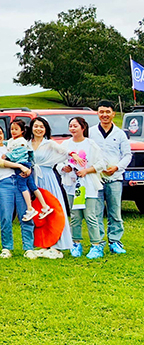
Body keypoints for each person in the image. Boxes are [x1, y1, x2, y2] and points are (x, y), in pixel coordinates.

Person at [0, 125, 36, 259]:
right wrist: (20, 166)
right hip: (4, 184)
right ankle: (7, 247)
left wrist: (28, 168)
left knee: (26, 214)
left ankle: (29, 247)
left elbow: (26, 156)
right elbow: (0, 162)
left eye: (0, 133)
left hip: (20, 182)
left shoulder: (11, 145)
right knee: (6, 217)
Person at [59, 117, 107, 259]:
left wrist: (86, 171)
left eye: (75, 126)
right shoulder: (65, 144)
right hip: (71, 185)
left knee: (90, 215)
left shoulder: (91, 144)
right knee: (75, 216)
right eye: (71, 126)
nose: (72, 128)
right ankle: (76, 243)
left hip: (88, 185)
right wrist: (64, 168)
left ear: (83, 127)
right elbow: (58, 163)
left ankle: (96, 245)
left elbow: (101, 163)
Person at [90, 100, 130, 254]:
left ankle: (115, 241)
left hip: (115, 179)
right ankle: (98, 243)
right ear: (97, 113)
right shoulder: (91, 132)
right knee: (96, 212)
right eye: (101, 112)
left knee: (115, 212)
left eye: (108, 112)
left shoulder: (120, 134)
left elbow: (127, 155)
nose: (104, 115)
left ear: (113, 114)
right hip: (96, 179)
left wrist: (117, 167)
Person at [26, 117, 70, 257]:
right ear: (31, 128)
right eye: (36, 126)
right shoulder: (27, 143)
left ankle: (57, 243)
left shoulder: (50, 144)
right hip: (32, 178)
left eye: (42, 127)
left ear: (46, 129)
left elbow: (65, 153)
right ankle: (42, 242)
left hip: (47, 177)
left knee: (53, 208)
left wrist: (72, 156)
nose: (38, 129)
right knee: (38, 211)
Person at [5, 120, 53, 222]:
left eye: (16, 129)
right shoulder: (13, 140)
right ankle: (45, 206)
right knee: (32, 186)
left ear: (22, 131)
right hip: (27, 165)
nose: (13, 131)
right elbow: (7, 143)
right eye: (12, 129)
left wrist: (7, 156)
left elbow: (17, 154)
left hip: (22, 165)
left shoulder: (21, 142)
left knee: (22, 186)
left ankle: (30, 208)